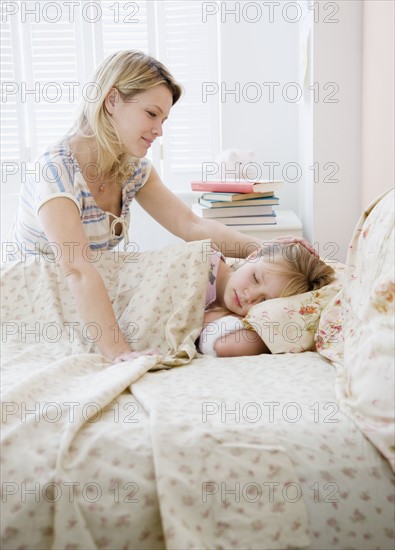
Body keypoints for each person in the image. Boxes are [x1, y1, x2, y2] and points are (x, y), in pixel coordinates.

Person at [7, 50, 317, 363]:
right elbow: (77, 269)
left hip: (87, 291)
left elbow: (191, 225)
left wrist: (268, 251)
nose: (159, 130)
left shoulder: (132, 168)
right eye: (151, 114)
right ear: (112, 100)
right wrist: (119, 352)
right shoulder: (55, 173)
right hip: (40, 293)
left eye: (163, 119)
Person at [198, 242, 335, 357]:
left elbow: (223, 346)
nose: (250, 296)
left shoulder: (229, 317)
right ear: (252, 256)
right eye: (255, 279)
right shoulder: (206, 263)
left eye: (263, 301)